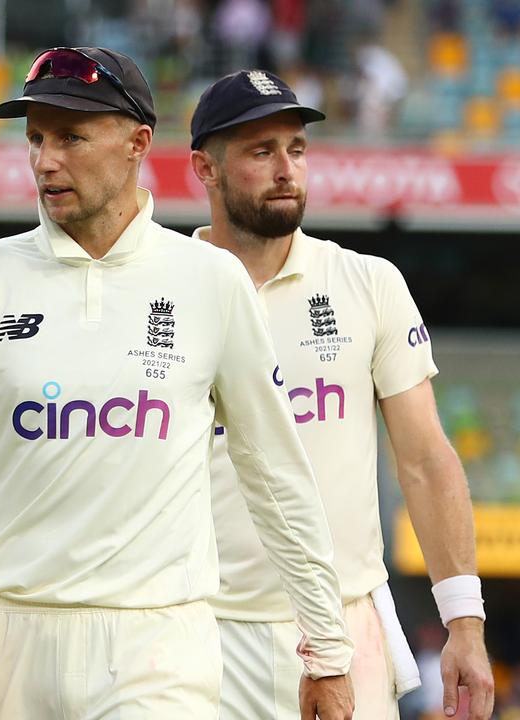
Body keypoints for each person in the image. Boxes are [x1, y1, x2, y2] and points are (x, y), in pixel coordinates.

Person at [0, 46, 355, 720]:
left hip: (156, 641)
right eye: (36, 138)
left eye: (72, 137)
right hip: (1, 635)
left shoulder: (209, 279)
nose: (46, 160)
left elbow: (275, 473)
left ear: (137, 143)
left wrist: (328, 648)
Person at [189, 69, 494, 720]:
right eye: (260, 150)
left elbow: (425, 459)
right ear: (204, 169)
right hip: (196, 631)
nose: (285, 169)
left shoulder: (367, 283)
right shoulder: (166, 295)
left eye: (296, 150)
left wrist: (464, 621)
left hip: (345, 626)